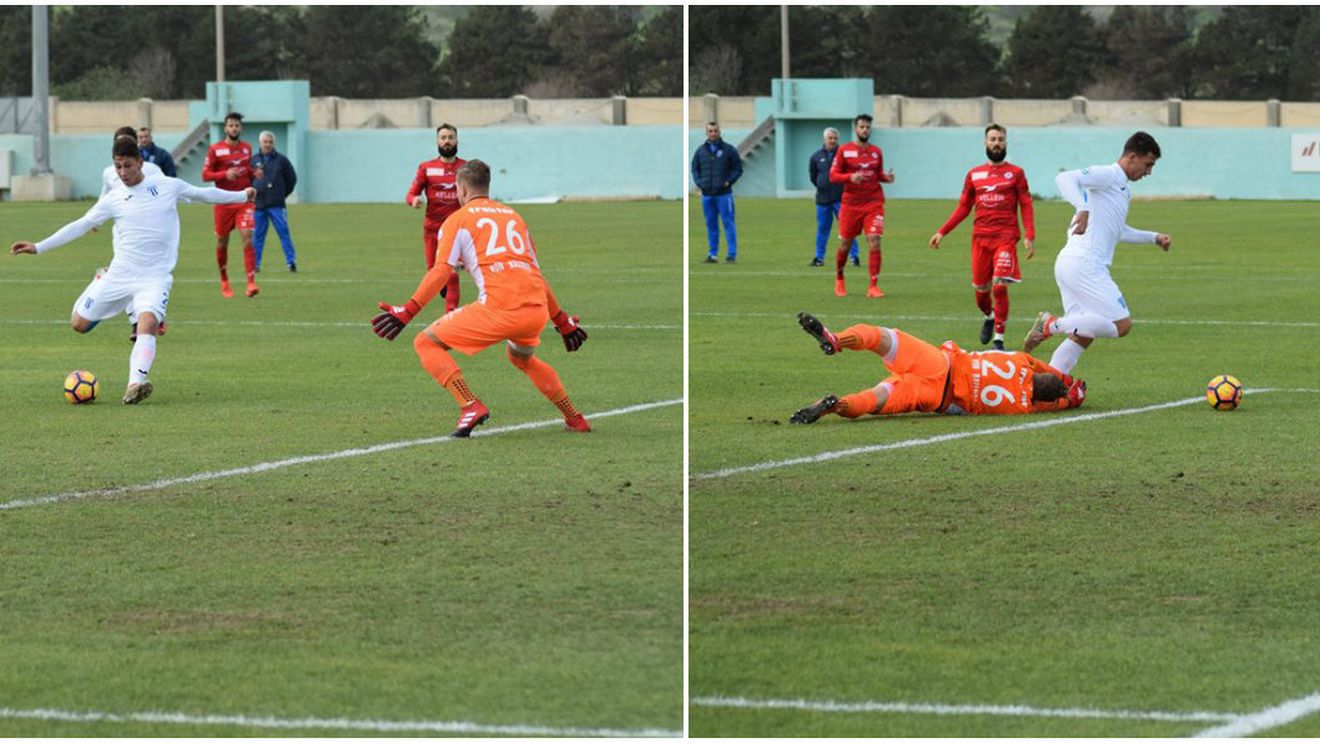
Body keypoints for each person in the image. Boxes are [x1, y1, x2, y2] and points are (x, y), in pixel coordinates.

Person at [9, 137, 254, 404]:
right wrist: (38, 246)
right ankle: (100, 279)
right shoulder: (114, 198)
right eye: (118, 167)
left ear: (140, 162)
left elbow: (203, 193)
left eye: (128, 166)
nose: (123, 173)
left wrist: (242, 195)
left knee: (147, 323)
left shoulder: (166, 185)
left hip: (155, 277)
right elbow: (81, 224)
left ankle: (135, 383)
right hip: (120, 274)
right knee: (79, 324)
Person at [371, 160, 592, 438]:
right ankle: (574, 417)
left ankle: (469, 405)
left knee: (425, 342)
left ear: (461, 188)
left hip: (498, 309)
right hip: (534, 309)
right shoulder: (514, 217)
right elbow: (536, 274)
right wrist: (562, 321)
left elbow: (441, 270)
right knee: (521, 358)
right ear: (487, 186)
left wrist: (408, 310)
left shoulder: (458, 220)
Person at [1023, 131, 1172, 374]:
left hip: (1070, 263)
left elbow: (1117, 230)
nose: (1149, 172)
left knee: (1083, 334)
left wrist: (1153, 237)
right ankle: (1050, 324)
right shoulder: (1109, 174)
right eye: (1148, 164)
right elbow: (1064, 178)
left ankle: (1050, 383)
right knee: (1121, 325)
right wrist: (1082, 207)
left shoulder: (1122, 188)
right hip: (1085, 264)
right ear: (1133, 157)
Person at [789, 312, 1086, 424]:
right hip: (935, 396)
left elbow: (1039, 365)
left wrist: (1065, 378)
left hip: (938, 362)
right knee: (875, 399)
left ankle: (837, 340)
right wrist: (1067, 400)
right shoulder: (1022, 407)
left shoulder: (1019, 361)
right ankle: (835, 405)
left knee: (883, 337)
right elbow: (1050, 405)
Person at [929, 124, 1036, 351]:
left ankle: (999, 339)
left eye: (1000, 139)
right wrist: (942, 231)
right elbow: (963, 208)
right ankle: (989, 316)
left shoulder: (1016, 173)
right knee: (981, 294)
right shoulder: (974, 174)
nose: (997, 143)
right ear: (985, 143)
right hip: (980, 240)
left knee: (999, 285)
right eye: (992, 139)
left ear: (1006, 143)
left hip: (1006, 237)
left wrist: (1029, 234)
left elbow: (1026, 203)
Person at [829, 113, 894, 298]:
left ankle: (873, 286)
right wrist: (850, 177)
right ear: (855, 129)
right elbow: (833, 176)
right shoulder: (844, 151)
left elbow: (878, 174)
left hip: (873, 203)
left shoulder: (876, 152)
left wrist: (886, 178)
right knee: (845, 244)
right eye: (861, 127)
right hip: (851, 205)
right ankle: (840, 278)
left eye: (867, 127)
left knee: (874, 239)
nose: (865, 130)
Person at [405, 123, 466, 313]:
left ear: (457, 140)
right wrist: (414, 200)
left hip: (457, 230)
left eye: (450, 137)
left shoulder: (466, 168)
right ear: (437, 141)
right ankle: (445, 290)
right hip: (432, 229)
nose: (447, 141)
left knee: (452, 271)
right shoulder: (427, 168)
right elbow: (411, 193)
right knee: (435, 275)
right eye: (443, 138)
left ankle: (451, 315)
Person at [202, 111, 259, 298]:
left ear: (241, 128)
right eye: (231, 125)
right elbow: (206, 175)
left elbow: (246, 169)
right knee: (222, 241)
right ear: (225, 128)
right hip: (223, 201)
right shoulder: (215, 149)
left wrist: (254, 173)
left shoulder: (247, 148)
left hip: (243, 199)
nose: (234, 128)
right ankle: (224, 280)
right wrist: (224, 175)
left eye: (237, 125)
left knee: (247, 237)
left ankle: (251, 283)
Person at [691, 121, 742, 264]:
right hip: (707, 195)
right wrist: (699, 183)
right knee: (711, 224)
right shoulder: (700, 151)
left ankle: (731, 254)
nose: (713, 133)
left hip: (724, 195)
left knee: (728, 223)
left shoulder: (729, 150)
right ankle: (712, 254)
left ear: (719, 132)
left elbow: (738, 169)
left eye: (715, 131)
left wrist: (728, 182)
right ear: (706, 133)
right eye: (710, 131)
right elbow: (695, 168)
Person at [808, 127, 858, 267]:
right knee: (822, 229)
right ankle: (819, 258)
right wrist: (822, 185)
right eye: (830, 138)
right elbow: (813, 177)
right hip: (822, 200)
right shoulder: (816, 157)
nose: (832, 140)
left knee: (847, 228)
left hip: (841, 199)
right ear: (824, 139)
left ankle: (854, 257)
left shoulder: (844, 156)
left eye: (835, 138)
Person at [251, 130, 299, 273]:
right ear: (260, 143)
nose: (268, 144)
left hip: (276, 204)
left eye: (270, 142)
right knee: (258, 235)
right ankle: (255, 264)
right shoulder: (253, 160)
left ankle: (291, 262)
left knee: (283, 232)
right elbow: (248, 179)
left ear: (274, 144)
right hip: (259, 205)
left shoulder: (281, 160)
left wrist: (281, 194)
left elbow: (292, 179)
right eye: (265, 142)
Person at [102, 126, 162, 195]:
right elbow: (104, 198)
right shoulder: (108, 172)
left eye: (128, 166)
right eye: (119, 143)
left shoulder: (153, 169)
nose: (123, 173)